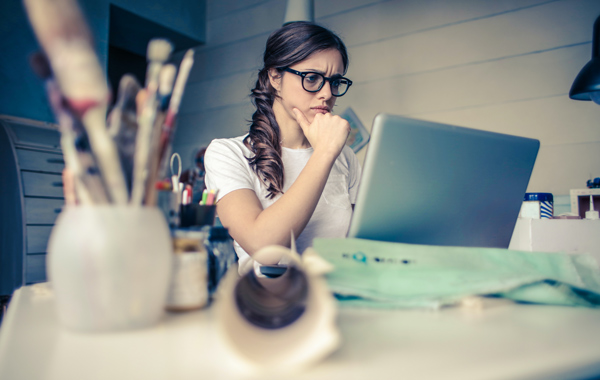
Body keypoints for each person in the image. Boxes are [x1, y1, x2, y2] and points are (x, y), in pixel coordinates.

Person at [204, 21, 361, 274]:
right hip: (267, 304)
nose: (326, 94)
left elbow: (360, 248)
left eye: (334, 81)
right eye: (311, 78)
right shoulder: (227, 154)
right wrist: (323, 153)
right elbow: (265, 249)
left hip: (338, 302)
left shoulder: (346, 158)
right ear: (275, 77)